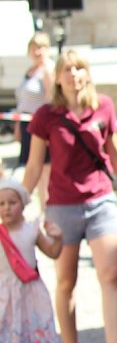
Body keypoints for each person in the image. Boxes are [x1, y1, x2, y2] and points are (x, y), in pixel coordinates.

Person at [23, 49, 117, 343]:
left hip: (101, 199)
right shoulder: (46, 115)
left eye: (79, 68)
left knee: (110, 274)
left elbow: (115, 154)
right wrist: (15, 199)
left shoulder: (102, 105)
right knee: (66, 281)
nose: (74, 74)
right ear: (58, 77)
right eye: (68, 69)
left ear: (87, 73)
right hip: (62, 205)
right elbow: (34, 166)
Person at [0, 178, 62, 343]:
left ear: (23, 204)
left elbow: (53, 252)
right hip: (6, 296)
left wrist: (58, 237)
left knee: (38, 335)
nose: (6, 208)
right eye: (1, 204)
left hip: (30, 293)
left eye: (12, 202)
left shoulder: (32, 231)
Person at [14, 31, 53, 209]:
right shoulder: (29, 71)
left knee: (43, 169)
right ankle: (39, 207)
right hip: (26, 123)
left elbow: (51, 99)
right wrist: (17, 126)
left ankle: (46, 209)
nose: (37, 52)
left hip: (41, 125)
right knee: (31, 167)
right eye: (34, 48)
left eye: (41, 48)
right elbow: (22, 102)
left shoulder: (48, 71)